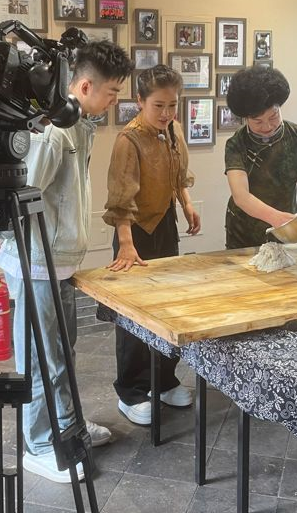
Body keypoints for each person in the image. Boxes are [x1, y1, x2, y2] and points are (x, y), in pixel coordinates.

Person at [0, 40, 134, 482]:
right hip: (36, 262)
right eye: (112, 93)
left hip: (59, 262)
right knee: (40, 358)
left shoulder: (79, 126)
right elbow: (18, 196)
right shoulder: (53, 131)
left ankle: (67, 426)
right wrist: (5, 243)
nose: (115, 101)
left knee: (61, 354)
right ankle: (38, 444)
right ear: (85, 86)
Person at [102, 64, 201, 425]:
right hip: (134, 232)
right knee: (133, 315)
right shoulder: (128, 140)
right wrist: (126, 245)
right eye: (158, 105)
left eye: (172, 105)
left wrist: (187, 204)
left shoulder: (173, 130)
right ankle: (131, 392)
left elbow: (178, 176)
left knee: (166, 308)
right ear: (140, 101)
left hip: (165, 225)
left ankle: (164, 381)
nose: (166, 113)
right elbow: (121, 199)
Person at [223, 66, 297, 249]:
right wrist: (276, 217)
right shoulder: (236, 144)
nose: (267, 126)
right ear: (246, 118)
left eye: (273, 116)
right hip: (245, 231)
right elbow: (241, 196)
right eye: (257, 121)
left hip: (285, 228)